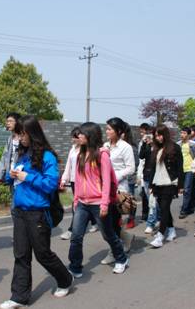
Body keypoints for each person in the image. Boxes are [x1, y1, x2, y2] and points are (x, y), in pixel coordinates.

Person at [0, 115, 73, 309]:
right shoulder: (23, 154)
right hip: (20, 211)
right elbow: (14, 177)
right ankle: (19, 297)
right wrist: (11, 175)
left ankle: (65, 279)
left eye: (22, 133)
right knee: (21, 254)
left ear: (32, 133)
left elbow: (50, 184)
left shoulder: (47, 156)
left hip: (38, 212)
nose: (20, 138)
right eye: (18, 134)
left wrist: (26, 176)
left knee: (42, 254)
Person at [68, 122, 129, 278]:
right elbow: (78, 179)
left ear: (90, 135)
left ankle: (121, 259)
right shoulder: (80, 154)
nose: (78, 136)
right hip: (82, 203)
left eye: (81, 133)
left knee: (108, 234)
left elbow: (107, 181)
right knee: (76, 236)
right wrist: (75, 200)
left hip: (98, 203)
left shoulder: (102, 155)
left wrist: (104, 203)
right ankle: (75, 266)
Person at [102, 117, 135, 264]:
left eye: (109, 129)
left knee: (113, 222)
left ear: (118, 131)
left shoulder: (125, 147)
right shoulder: (105, 146)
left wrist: (114, 176)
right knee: (105, 222)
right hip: (103, 189)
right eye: (107, 128)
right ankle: (126, 238)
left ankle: (114, 252)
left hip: (119, 189)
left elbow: (130, 168)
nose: (107, 131)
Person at [149, 125, 184, 248]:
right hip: (158, 182)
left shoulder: (174, 147)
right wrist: (151, 185)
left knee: (164, 208)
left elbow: (180, 167)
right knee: (164, 208)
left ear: (165, 134)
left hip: (170, 182)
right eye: (156, 135)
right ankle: (171, 229)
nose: (158, 138)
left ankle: (160, 235)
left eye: (159, 135)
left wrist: (180, 185)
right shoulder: (155, 149)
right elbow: (153, 169)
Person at [60, 127, 97, 240]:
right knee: (79, 205)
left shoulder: (88, 150)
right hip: (73, 180)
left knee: (77, 206)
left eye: (75, 137)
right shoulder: (73, 149)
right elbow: (68, 165)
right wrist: (63, 179)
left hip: (84, 181)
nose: (74, 139)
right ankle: (94, 222)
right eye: (74, 137)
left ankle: (72, 229)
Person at [139, 128, 158, 234]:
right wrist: (143, 143)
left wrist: (152, 145)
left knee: (152, 201)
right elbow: (141, 156)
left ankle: (151, 223)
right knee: (151, 200)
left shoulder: (157, 147)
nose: (149, 138)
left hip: (156, 177)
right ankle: (158, 218)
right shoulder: (146, 146)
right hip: (146, 175)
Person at [177, 127, 195, 219]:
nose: (182, 135)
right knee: (191, 189)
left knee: (186, 189)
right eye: (181, 133)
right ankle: (191, 205)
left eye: (184, 133)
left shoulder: (193, 144)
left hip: (190, 169)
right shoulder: (178, 144)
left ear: (188, 134)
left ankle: (184, 210)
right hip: (181, 170)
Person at [122, 122, 140, 229]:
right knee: (118, 199)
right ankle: (119, 217)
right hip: (119, 179)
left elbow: (136, 163)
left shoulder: (131, 147)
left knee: (130, 199)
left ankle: (131, 219)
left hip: (129, 178)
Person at [0, 113, 21, 186]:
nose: (8, 123)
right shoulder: (9, 139)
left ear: (17, 122)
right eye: (7, 121)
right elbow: (4, 158)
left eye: (10, 121)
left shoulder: (24, 139)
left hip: (21, 175)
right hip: (11, 176)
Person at [137, 123, 151, 221]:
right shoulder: (141, 142)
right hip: (143, 169)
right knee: (143, 192)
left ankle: (150, 214)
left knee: (150, 194)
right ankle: (145, 213)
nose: (141, 134)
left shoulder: (152, 141)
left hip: (150, 170)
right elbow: (140, 156)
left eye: (143, 131)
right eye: (141, 131)